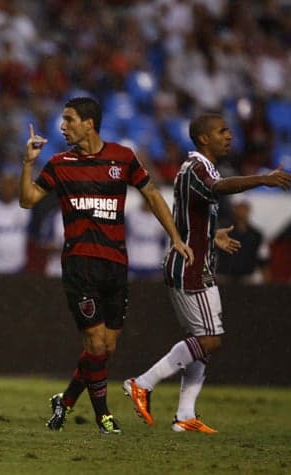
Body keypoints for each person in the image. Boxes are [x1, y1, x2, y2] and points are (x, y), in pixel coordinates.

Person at [18, 97, 194, 435]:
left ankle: (65, 401)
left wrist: (175, 237)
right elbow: (28, 200)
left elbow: (153, 194)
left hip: (115, 264)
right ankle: (103, 417)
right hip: (79, 266)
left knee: (106, 348)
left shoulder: (122, 158)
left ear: (89, 123)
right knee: (95, 344)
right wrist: (27, 163)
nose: (62, 126)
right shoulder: (59, 163)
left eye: (69, 120)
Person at [122, 113, 291, 433]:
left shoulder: (200, 169)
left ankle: (185, 414)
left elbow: (185, 217)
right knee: (210, 340)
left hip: (199, 263)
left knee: (202, 341)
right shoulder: (197, 168)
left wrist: (212, 236)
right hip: (189, 267)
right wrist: (261, 179)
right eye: (221, 131)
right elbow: (220, 187)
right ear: (203, 139)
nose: (229, 136)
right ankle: (142, 383)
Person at [0, 172, 32, 275]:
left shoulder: (24, 208)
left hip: (17, 265)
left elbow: (34, 236)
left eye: (10, 184)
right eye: (4, 184)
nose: (7, 188)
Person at [216, 198, 271, 284]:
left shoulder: (257, 235)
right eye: (240, 207)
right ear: (234, 209)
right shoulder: (223, 231)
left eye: (245, 208)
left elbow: (263, 260)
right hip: (223, 278)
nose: (242, 211)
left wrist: (268, 285)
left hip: (247, 279)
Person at [125, 200, 169, 280]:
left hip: (153, 265)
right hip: (133, 264)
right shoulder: (131, 214)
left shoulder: (163, 217)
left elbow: (164, 243)